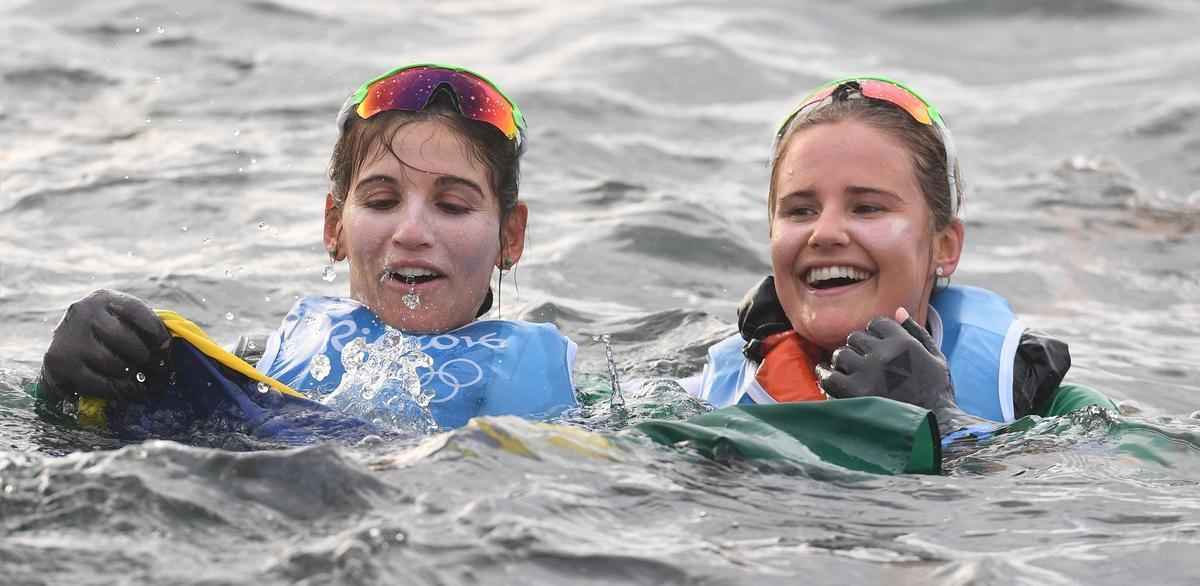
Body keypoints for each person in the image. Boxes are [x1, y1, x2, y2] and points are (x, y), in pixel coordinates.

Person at [35, 64, 578, 439]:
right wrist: (66, 387)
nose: (412, 231)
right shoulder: (267, 361)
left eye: (454, 206)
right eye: (383, 200)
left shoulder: (543, 389)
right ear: (334, 226)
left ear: (511, 236)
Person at [690, 76, 1114, 436]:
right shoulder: (708, 391)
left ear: (944, 247)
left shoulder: (1043, 403)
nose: (825, 233)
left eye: (867, 207)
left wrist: (940, 421)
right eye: (800, 211)